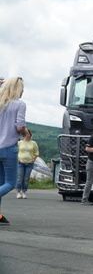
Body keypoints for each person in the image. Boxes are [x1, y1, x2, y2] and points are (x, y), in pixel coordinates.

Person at [0, 77, 28, 225]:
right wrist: (25, 131)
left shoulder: (1, 103)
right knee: (10, 183)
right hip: (9, 148)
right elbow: (20, 126)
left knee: (1, 183)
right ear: (18, 89)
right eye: (22, 88)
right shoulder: (20, 104)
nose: (23, 90)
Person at [16, 129, 39, 199]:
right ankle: (18, 192)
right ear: (23, 135)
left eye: (28, 133)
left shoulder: (33, 143)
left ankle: (24, 191)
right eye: (25, 134)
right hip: (20, 162)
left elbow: (36, 153)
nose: (27, 135)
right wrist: (17, 159)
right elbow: (15, 151)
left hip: (29, 163)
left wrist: (33, 160)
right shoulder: (19, 143)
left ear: (30, 134)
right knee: (19, 177)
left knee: (26, 178)